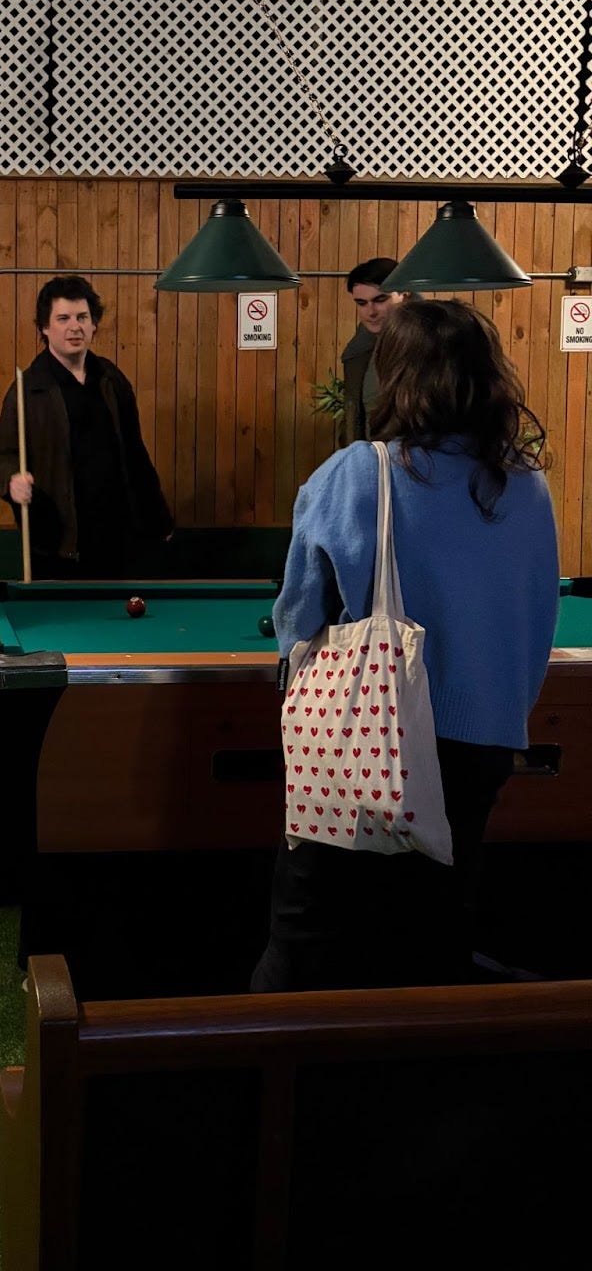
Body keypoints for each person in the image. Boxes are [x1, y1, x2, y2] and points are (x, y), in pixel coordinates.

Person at [251, 299, 558, 993]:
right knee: (433, 944)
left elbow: (298, 619)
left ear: (394, 377)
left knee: (305, 944)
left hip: (370, 738)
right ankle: (423, 1062)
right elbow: (538, 614)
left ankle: (276, 1065)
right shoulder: (526, 484)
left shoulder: (360, 471)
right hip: (485, 742)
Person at [0, 275, 172, 579]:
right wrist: (11, 481)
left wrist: (159, 519)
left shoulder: (111, 379)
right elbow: (1, 455)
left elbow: (135, 454)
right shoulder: (29, 388)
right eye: (63, 318)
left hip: (120, 542)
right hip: (58, 546)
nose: (75, 327)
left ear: (94, 324)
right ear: (45, 328)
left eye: (82, 317)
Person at [340, 257, 408, 444]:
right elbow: (353, 420)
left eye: (380, 300)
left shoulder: (433, 344)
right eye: (361, 303)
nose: (371, 312)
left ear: (404, 294)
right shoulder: (358, 351)